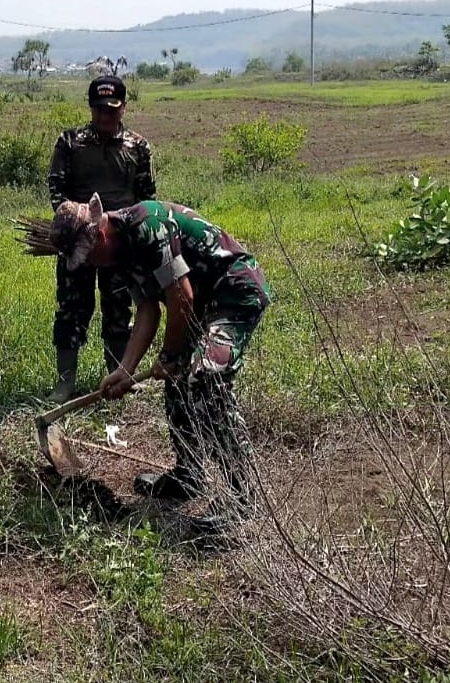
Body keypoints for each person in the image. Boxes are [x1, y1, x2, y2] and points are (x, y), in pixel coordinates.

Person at [21, 193, 271, 530]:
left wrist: (170, 355)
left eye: (90, 254)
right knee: (179, 379)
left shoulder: (146, 225)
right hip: (200, 306)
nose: (93, 263)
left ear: (100, 233)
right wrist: (124, 370)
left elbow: (181, 295)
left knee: (205, 378)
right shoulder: (118, 256)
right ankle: (189, 474)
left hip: (233, 292)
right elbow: (148, 309)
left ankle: (241, 500)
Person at [45, 75, 156, 401]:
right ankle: (65, 383)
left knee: (119, 309)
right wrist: (81, 225)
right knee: (71, 310)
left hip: (119, 246)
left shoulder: (138, 146)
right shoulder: (70, 142)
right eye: (99, 110)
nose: (105, 117)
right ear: (91, 108)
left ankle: (119, 377)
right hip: (79, 243)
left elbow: (146, 198)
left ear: (123, 108)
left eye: (112, 110)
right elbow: (56, 190)